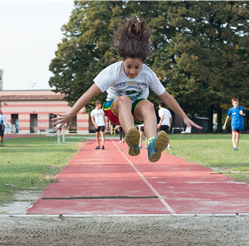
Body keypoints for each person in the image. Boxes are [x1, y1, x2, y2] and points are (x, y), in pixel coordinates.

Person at [53, 17, 202, 162]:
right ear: (122, 60)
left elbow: (166, 97)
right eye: (128, 66)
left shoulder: (148, 74)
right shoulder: (112, 72)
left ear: (143, 63)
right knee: (124, 99)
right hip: (114, 110)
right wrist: (71, 113)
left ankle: (151, 144)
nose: (132, 71)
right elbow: (89, 93)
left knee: (148, 105)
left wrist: (184, 116)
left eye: (137, 67)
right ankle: (132, 138)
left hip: (135, 112)